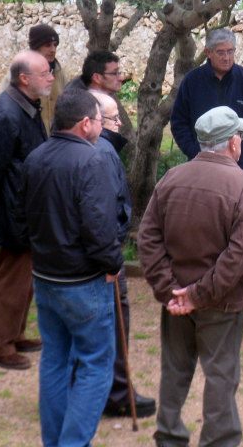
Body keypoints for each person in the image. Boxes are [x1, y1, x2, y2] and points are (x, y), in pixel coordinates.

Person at [138, 106, 243, 447]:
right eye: (240, 135)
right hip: (219, 304)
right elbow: (238, 256)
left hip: (176, 299)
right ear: (232, 142)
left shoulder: (172, 178)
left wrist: (170, 290)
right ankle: (218, 442)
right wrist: (196, 295)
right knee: (221, 375)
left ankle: (169, 436)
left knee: (174, 371)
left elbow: (147, 238)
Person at [17, 89, 124, 447]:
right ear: (86, 124)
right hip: (83, 281)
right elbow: (99, 226)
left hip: (46, 277)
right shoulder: (91, 161)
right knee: (95, 366)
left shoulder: (36, 157)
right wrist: (112, 263)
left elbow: (23, 217)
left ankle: (57, 441)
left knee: (55, 361)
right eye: (98, 119)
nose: (101, 126)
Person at [0, 49, 53, 370]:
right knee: (12, 279)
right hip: (14, 210)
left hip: (26, 207)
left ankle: (15, 333)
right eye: (45, 73)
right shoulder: (7, 113)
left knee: (25, 279)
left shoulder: (27, 107)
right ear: (25, 79)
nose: (51, 77)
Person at [88, 91, 153, 419]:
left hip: (64, 262)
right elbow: (109, 212)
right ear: (93, 119)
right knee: (113, 322)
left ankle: (99, 389)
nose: (117, 126)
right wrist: (113, 260)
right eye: (113, 119)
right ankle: (115, 392)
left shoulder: (51, 150)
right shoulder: (102, 154)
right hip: (102, 257)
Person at [170, 28, 243, 173]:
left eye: (230, 51)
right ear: (208, 52)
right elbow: (179, 122)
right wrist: (195, 152)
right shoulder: (192, 81)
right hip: (200, 166)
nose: (226, 57)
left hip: (238, 166)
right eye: (220, 52)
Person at [0, 24, 67, 135]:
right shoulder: (19, 71)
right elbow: (2, 107)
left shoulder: (59, 72)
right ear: (36, 47)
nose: (53, 50)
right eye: (48, 45)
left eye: (55, 45)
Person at [65, 49, 132, 138]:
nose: (121, 78)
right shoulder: (80, 106)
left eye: (119, 72)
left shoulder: (84, 94)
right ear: (97, 78)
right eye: (114, 73)